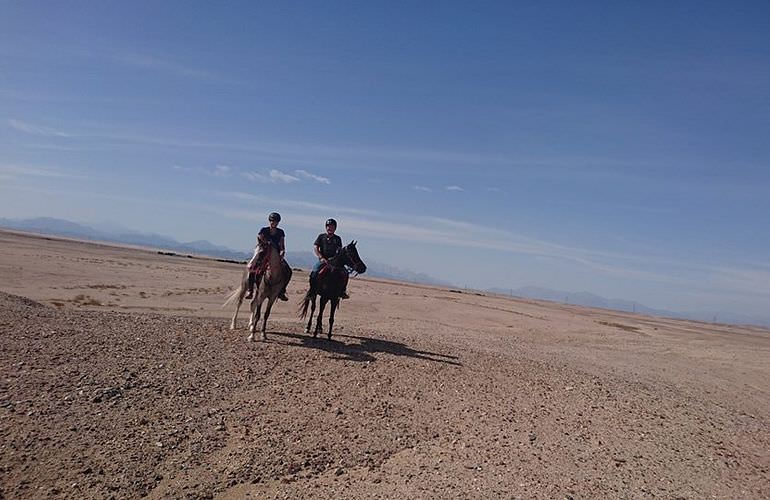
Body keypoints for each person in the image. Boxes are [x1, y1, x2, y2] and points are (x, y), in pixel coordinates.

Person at [245, 212, 289, 301]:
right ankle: (250, 290)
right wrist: (266, 242)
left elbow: (282, 245)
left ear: (278, 222)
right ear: (269, 221)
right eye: (271, 221)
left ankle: (282, 291)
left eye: (275, 221)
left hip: (276, 255)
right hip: (264, 253)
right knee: (253, 269)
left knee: (288, 271)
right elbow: (259, 238)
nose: (273, 222)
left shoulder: (280, 232)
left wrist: (282, 252)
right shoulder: (264, 230)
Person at [311, 218, 349, 299]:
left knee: (345, 273)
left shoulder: (337, 239)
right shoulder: (321, 237)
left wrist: (335, 259)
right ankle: (312, 290)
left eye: (332, 226)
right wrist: (320, 257)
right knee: (314, 271)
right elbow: (315, 247)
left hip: (334, 262)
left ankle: (342, 291)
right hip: (323, 260)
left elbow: (339, 250)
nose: (329, 228)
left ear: (335, 228)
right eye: (328, 226)